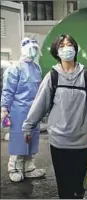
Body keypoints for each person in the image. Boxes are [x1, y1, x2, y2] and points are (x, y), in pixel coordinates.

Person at [22, 34, 87, 199]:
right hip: (59, 142)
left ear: (75, 49)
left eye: (69, 44)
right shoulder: (52, 76)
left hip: (83, 142)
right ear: (57, 51)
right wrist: (28, 126)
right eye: (62, 45)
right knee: (64, 187)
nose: (66, 48)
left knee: (79, 187)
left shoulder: (86, 76)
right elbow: (39, 104)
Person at [1, 37, 45, 182]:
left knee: (32, 139)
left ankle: (28, 167)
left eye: (35, 49)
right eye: (30, 48)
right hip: (18, 111)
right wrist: (4, 108)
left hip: (34, 111)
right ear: (24, 49)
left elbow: (40, 90)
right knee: (20, 139)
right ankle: (14, 167)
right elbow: (8, 90)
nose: (33, 51)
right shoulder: (15, 68)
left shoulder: (37, 68)